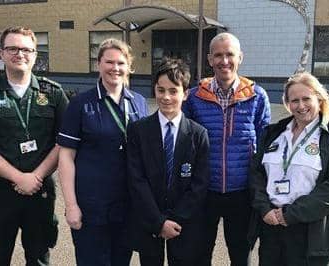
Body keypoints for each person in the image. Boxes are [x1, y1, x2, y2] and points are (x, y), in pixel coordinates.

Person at [0, 26, 68, 266]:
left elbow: (63, 141)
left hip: (39, 192)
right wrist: (18, 178)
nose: (19, 54)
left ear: (35, 55)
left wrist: (36, 176)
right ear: (1, 54)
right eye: (12, 48)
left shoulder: (53, 93)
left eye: (26, 49)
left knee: (40, 258)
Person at [182, 32, 271, 266]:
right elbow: (184, 142)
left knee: (241, 255)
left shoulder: (257, 96)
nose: (224, 61)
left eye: (230, 54)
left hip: (241, 192)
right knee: (200, 254)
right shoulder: (194, 97)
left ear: (240, 57)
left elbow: (264, 146)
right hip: (205, 190)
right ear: (210, 59)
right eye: (218, 55)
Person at [57, 38, 148, 266]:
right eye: (109, 62)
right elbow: (66, 156)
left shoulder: (139, 103)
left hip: (127, 205)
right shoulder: (80, 104)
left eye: (121, 63)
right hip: (91, 207)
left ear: (129, 67)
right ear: (98, 64)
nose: (115, 68)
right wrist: (71, 205)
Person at [249, 72, 329, 266]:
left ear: (319, 98)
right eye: (294, 101)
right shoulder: (273, 133)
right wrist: (265, 209)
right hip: (271, 226)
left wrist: (289, 215)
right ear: (287, 103)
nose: (301, 106)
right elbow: (256, 175)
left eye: (306, 99)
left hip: (309, 231)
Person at [127, 59, 210, 266]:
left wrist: (176, 218)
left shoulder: (198, 134)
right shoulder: (138, 130)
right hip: (150, 220)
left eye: (173, 91)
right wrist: (158, 221)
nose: (166, 97)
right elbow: (136, 179)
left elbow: (199, 184)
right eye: (160, 90)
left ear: (185, 93)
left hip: (184, 222)